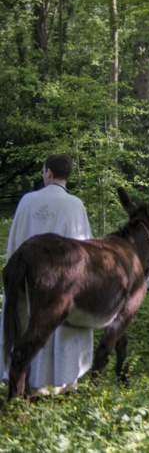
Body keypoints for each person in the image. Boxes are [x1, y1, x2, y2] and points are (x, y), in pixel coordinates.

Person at [0, 155, 93, 394]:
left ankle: (26, 381)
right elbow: (83, 249)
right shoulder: (75, 205)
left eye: (43, 171)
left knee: (27, 322)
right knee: (57, 327)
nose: (43, 175)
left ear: (49, 172)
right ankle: (61, 381)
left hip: (28, 281)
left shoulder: (27, 201)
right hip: (61, 284)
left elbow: (15, 245)